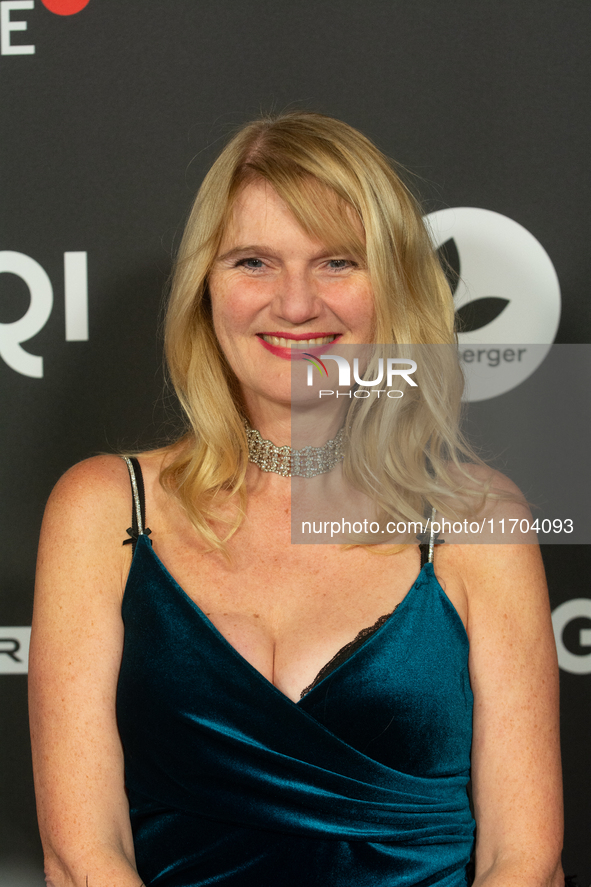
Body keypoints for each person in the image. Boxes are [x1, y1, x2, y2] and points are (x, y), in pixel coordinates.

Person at [29, 111, 564, 887]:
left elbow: (526, 861)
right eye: (253, 261)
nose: (295, 304)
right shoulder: (104, 507)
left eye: (337, 262)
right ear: (205, 287)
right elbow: (84, 858)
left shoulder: (478, 520)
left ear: (395, 286)